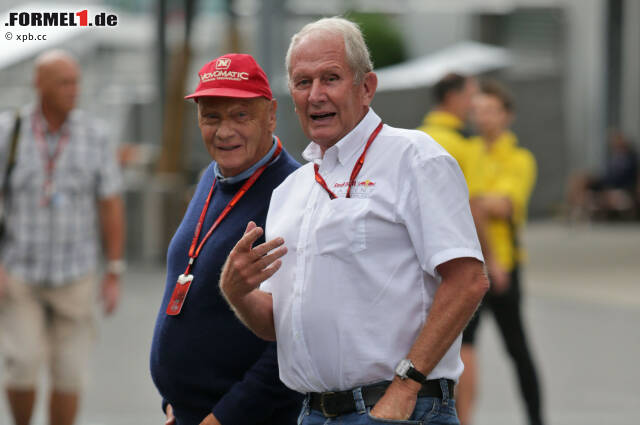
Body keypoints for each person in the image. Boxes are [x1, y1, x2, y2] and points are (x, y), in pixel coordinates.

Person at [219, 17, 490, 425]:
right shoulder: (291, 191)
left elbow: (468, 280)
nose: (316, 95)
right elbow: (279, 326)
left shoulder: (414, 157)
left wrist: (405, 386)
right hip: (314, 412)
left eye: (331, 78)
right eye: (302, 82)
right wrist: (237, 292)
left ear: (366, 87)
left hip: (400, 409)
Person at [149, 53, 303, 425]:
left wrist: (223, 418)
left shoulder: (295, 194)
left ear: (270, 115)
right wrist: (175, 401)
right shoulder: (212, 175)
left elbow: (292, 341)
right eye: (211, 117)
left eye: (240, 115)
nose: (224, 131)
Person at [0, 50, 125, 425]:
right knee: (21, 365)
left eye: (76, 81)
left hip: (75, 274)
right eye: (64, 82)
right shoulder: (10, 132)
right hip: (20, 273)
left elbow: (110, 204)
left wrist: (114, 270)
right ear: (40, 85)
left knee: (69, 374)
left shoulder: (94, 135)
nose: (74, 90)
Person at [457, 79, 543, 425]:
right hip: (469, 265)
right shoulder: (467, 152)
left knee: (518, 350)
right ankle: (462, 418)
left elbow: (504, 205)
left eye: (490, 110)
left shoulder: (520, 158)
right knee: (463, 347)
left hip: (505, 264)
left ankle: (537, 418)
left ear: (507, 115)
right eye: (477, 110)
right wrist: (479, 203)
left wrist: (476, 202)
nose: (482, 117)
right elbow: (468, 203)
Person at [417, 73, 508, 292]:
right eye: (470, 96)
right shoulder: (466, 144)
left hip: (422, 251)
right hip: (460, 254)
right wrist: (491, 260)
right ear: (452, 97)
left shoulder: (416, 137)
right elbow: (474, 206)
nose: (473, 105)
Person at [566, 130, 638, 220]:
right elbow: (605, 175)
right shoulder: (612, 158)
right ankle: (575, 210)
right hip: (606, 185)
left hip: (620, 188)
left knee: (600, 195)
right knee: (578, 179)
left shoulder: (631, 159)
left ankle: (579, 211)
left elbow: (628, 179)